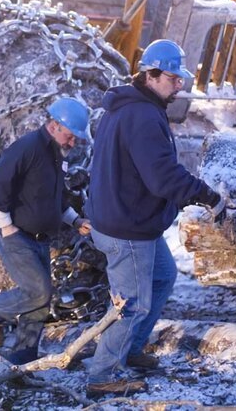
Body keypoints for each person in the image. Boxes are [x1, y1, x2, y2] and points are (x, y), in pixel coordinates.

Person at [84, 39, 226, 397]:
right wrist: (207, 196)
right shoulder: (142, 115)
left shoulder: (131, 107)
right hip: (126, 226)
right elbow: (162, 176)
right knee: (131, 304)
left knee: (163, 276)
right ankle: (103, 374)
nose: (180, 85)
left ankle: (129, 350)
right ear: (152, 74)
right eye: (174, 78)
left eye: (181, 79)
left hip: (127, 218)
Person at [0, 97, 93, 364]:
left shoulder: (57, 156)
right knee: (39, 290)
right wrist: (6, 227)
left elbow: (56, 199)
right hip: (16, 235)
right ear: (54, 126)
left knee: (40, 299)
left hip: (40, 238)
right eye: (70, 135)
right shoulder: (27, 148)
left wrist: (76, 221)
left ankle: (23, 355)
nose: (73, 142)